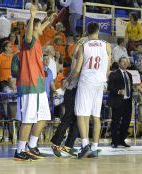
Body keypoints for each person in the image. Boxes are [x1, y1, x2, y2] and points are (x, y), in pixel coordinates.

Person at [12, 5, 56, 161]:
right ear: (34, 28)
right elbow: (30, 33)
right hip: (29, 86)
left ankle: (31, 146)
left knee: (44, 117)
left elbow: (39, 29)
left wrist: (49, 20)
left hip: (39, 88)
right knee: (28, 120)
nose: (43, 29)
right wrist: (31, 17)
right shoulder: (28, 41)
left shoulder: (37, 41)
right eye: (40, 26)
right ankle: (19, 151)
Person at [63, 22, 111, 158]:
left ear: (87, 32)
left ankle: (85, 146)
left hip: (86, 82)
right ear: (98, 30)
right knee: (96, 116)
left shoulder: (84, 46)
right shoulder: (107, 45)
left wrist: (68, 80)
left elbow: (77, 69)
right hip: (100, 83)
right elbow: (108, 68)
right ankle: (95, 147)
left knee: (81, 114)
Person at [51, 39, 86, 157]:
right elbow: (75, 71)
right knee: (68, 118)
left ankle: (68, 146)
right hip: (72, 90)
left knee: (77, 120)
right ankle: (56, 143)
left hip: (80, 91)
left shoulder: (85, 57)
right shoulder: (78, 55)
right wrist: (68, 80)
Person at [107, 57, 133, 148]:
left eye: (127, 62)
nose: (125, 64)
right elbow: (109, 87)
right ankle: (114, 141)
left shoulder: (129, 74)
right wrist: (118, 91)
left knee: (126, 122)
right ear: (119, 63)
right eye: (123, 62)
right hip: (118, 101)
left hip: (128, 101)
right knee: (116, 122)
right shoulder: (114, 74)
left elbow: (130, 87)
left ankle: (122, 140)